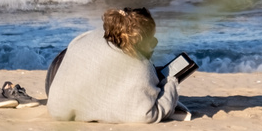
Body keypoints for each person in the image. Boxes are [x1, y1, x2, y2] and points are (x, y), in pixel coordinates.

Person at [46, 7, 189, 123]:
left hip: (56, 78)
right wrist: (171, 83)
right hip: (58, 80)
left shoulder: (99, 34)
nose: (154, 45)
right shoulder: (139, 68)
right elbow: (146, 115)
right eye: (152, 42)